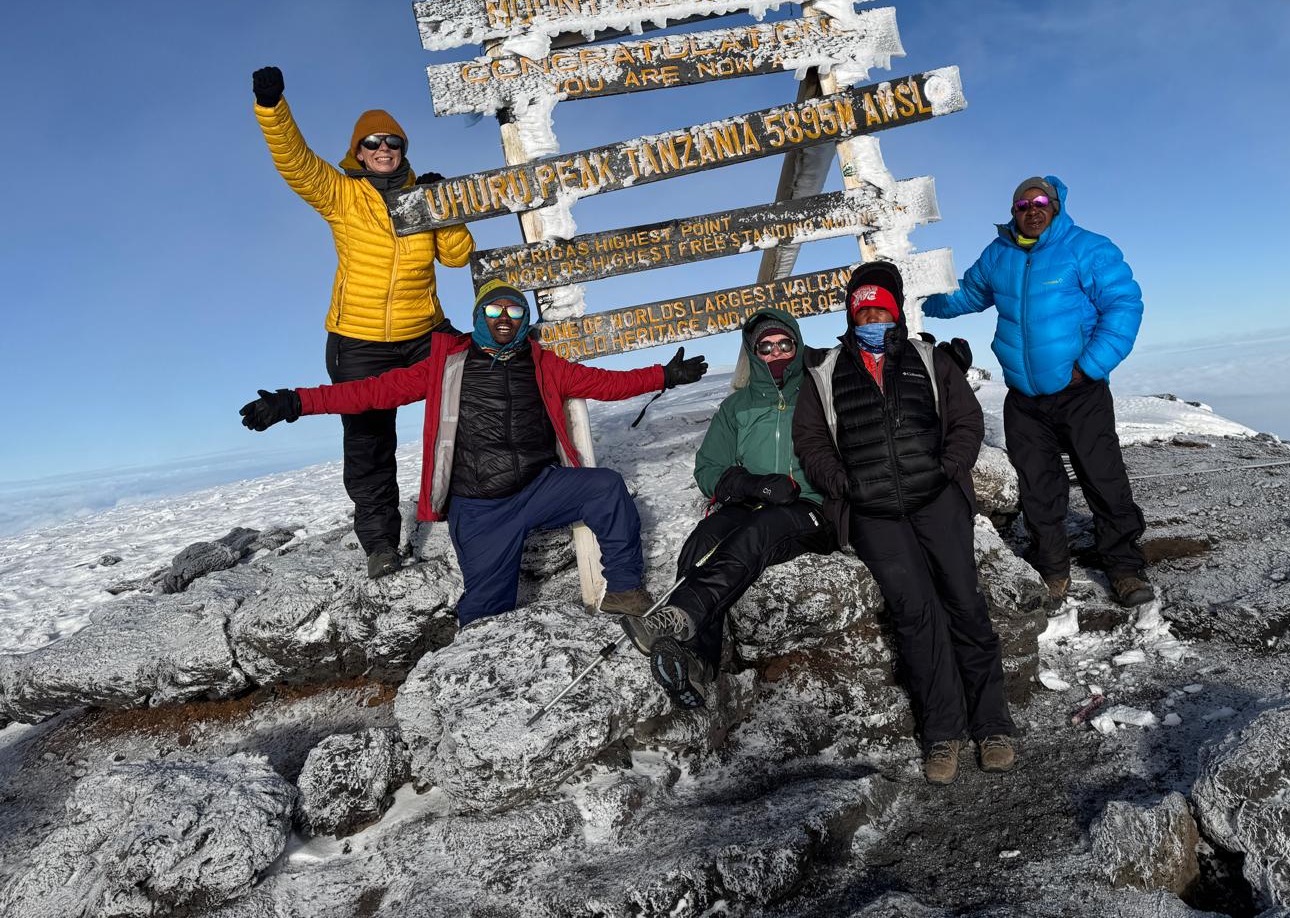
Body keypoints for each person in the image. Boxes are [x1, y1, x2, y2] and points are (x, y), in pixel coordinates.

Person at [238, 280, 708, 624]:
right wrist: (295, 402)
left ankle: (624, 591)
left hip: (541, 487)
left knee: (604, 487)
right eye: (495, 311)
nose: (505, 319)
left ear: (524, 321)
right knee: (486, 613)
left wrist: (663, 376)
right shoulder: (445, 366)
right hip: (481, 506)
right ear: (480, 317)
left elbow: (605, 383)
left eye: (515, 312)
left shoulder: (544, 364)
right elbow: (371, 392)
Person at [792, 262, 1017, 786]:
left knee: (964, 603)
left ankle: (992, 726)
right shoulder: (824, 372)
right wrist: (842, 484)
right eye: (861, 309)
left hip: (937, 502)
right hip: (874, 516)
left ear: (894, 313)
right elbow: (811, 442)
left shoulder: (928, 358)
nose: (870, 316)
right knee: (916, 618)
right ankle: (942, 734)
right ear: (851, 315)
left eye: (879, 309)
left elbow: (966, 421)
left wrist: (948, 468)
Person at [252, 64, 474, 579]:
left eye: (393, 142)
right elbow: (295, 162)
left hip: (425, 332)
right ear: (359, 149)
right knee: (370, 441)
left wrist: (444, 209)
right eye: (373, 143)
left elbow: (458, 257)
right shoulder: (342, 194)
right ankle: (380, 544)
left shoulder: (423, 195)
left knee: (483, 384)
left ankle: (486, 498)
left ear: (402, 149)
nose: (383, 150)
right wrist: (271, 107)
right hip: (359, 341)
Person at [922, 175, 1152, 607]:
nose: (1031, 209)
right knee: (1037, 488)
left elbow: (1124, 305)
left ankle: (1123, 567)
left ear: (1057, 205)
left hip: (1081, 392)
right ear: (1013, 212)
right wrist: (914, 298)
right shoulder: (999, 254)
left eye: (1040, 201)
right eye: (1021, 204)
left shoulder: (1087, 248)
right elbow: (964, 296)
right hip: (1024, 399)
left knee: (1103, 479)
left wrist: (1090, 366)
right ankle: (1052, 569)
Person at [620, 309, 838, 711]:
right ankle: (699, 661)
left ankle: (679, 616)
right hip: (752, 500)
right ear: (754, 354)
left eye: (784, 345)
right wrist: (751, 484)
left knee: (759, 533)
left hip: (812, 508)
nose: (775, 353)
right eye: (765, 347)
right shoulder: (737, 406)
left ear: (797, 345)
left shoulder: (820, 391)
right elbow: (708, 469)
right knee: (702, 541)